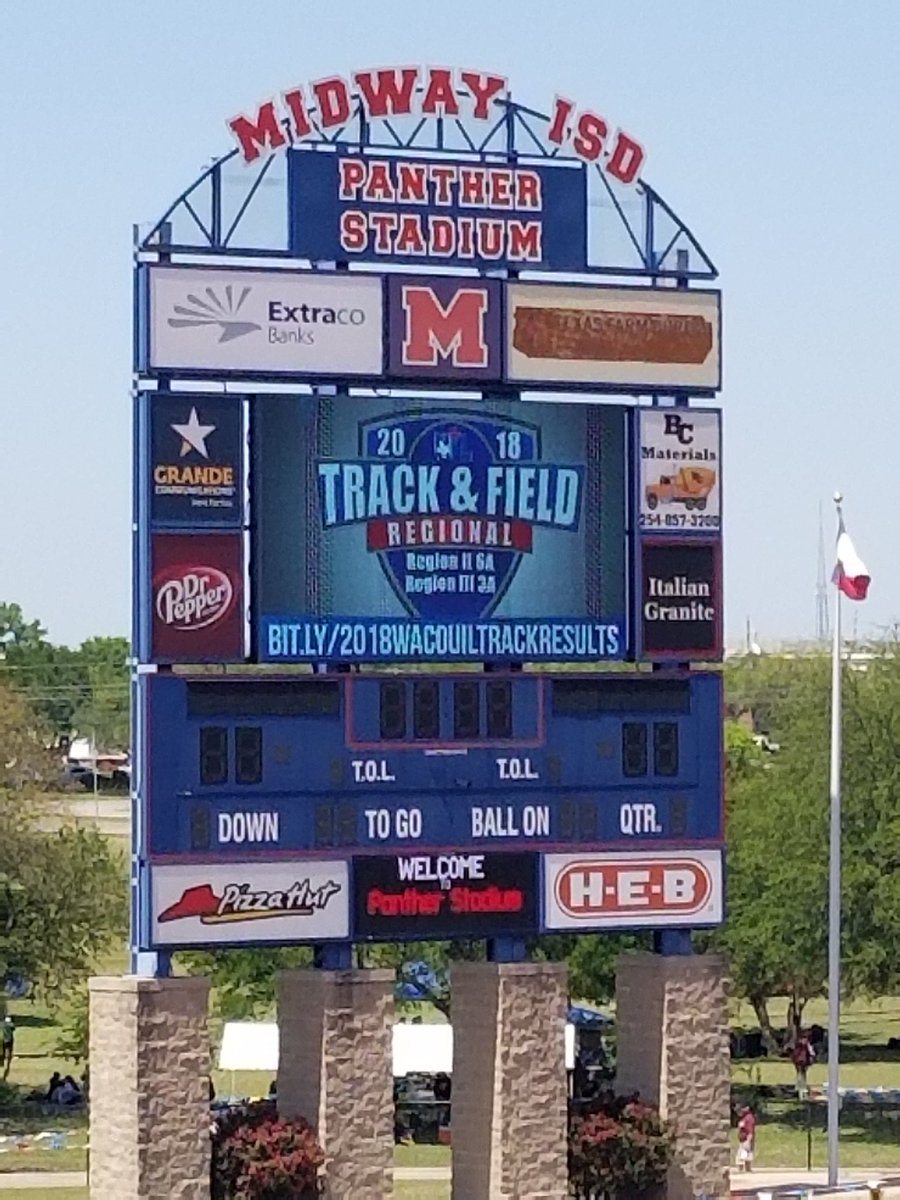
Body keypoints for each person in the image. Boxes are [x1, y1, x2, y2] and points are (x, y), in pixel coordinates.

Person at [736, 1105, 756, 1172]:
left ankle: (745, 1169)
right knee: (743, 1154)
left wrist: (748, 1141)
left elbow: (750, 1131)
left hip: (746, 1139)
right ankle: (743, 1169)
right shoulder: (743, 1118)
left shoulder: (749, 1118)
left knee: (744, 1154)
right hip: (742, 1140)